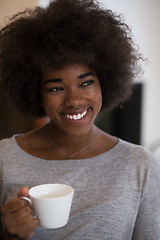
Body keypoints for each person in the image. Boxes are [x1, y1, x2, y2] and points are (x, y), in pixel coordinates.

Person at [0, 0, 160, 239]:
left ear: (105, 82)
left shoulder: (140, 165)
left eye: (86, 83)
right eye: (56, 88)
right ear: (35, 92)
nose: (74, 100)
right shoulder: (5, 159)